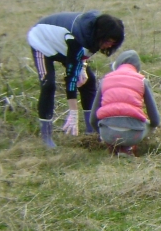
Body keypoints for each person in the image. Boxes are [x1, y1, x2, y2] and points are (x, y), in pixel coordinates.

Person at [26, 11, 125, 148]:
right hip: (43, 42)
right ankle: (46, 136)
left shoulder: (96, 34)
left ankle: (92, 130)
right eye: (108, 41)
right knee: (48, 84)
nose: (109, 46)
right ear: (100, 34)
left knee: (88, 82)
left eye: (113, 43)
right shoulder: (77, 38)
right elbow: (71, 78)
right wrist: (73, 112)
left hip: (65, 47)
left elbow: (83, 54)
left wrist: (83, 67)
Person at [90, 50, 161, 156]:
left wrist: (101, 133)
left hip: (108, 133)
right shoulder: (142, 81)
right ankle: (128, 147)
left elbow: (92, 119)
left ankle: (113, 146)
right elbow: (155, 120)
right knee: (147, 124)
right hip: (133, 135)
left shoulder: (105, 80)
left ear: (117, 65)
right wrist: (152, 127)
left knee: (108, 124)